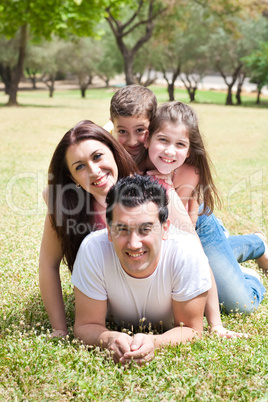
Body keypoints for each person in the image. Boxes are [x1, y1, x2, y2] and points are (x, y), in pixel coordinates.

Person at [108, 88, 267, 314]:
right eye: (123, 131)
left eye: (140, 130)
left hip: (195, 226)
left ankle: (255, 248)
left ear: (151, 126)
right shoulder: (120, 155)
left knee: (240, 304)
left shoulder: (184, 167)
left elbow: (187, 232)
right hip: (162, 229)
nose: (132, 140)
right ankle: (230, 251)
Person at [72, 175, 212, 365]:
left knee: (235, 294)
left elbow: (192, 329)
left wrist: (155, 342)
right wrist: (110, 339)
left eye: (145, 229)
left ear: (165, 229)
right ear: (109, 231)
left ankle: (254, 244)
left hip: (202, 256)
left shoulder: (186, 251)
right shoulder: (93, 249)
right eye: (122, 229)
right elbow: (85, 325)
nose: (134, 243)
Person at [39, 120, 138, 337]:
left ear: (113, 151)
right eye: (80, 167)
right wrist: (59, 328)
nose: (94, 171)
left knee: (230, 293)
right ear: (72, 178)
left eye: (97, 156)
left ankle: (230, 242)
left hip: (198, 230)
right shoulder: (67, 208)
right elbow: (48, 264)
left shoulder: (146, 192)